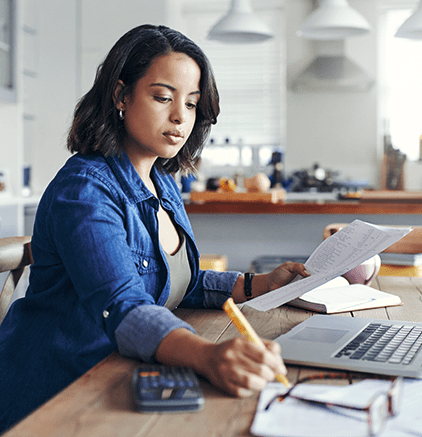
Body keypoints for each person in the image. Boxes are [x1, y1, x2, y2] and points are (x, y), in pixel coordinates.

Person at [0, 24, 309, 432]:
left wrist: (260, 285)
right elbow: (126, 304)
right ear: (121, 95)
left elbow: (177, 281)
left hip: (119, 374)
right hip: (59, 391)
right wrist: (208, 356)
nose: (181, 116)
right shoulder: (84, 190)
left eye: (193, 103)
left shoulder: (162, 181)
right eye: (163, 97)